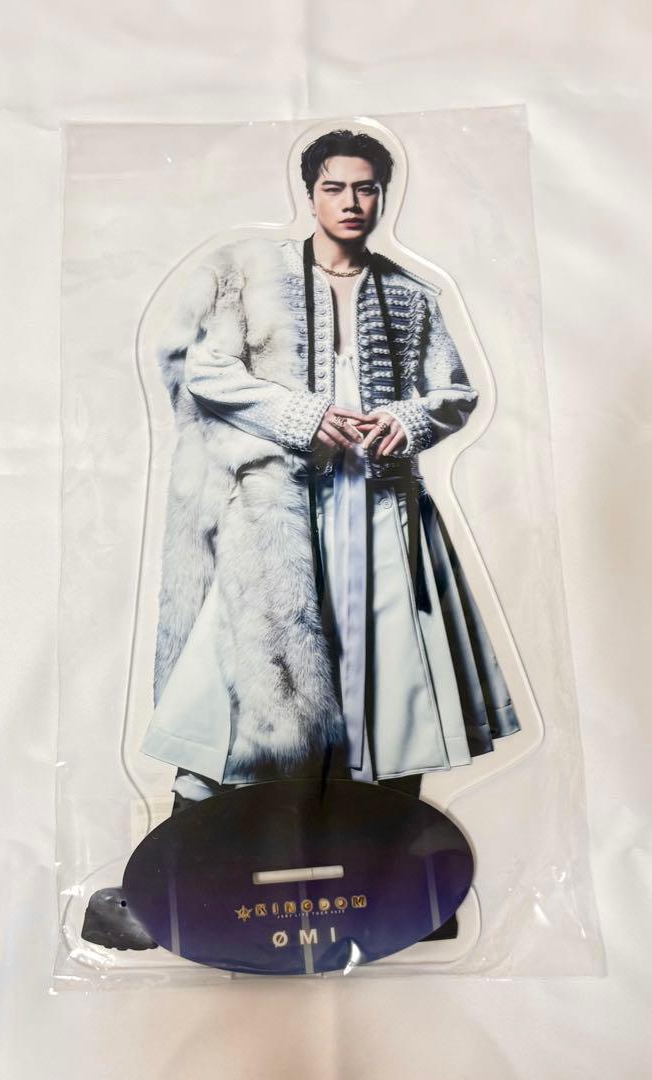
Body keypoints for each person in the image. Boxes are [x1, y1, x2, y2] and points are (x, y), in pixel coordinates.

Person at [142, 129, 520, 808]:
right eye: (334, 188)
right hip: (279, 508)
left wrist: (407, 419)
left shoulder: (412, 293)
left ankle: (386, 842)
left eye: (365, 188)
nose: (351, 202)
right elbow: (206, 371)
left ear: (383, 195)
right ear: (310, 193)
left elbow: (455, 393)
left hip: (382, 511)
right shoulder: (256, 276)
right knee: (241, 680)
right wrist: (301, 414)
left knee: (395, 684)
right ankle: (193, 844)